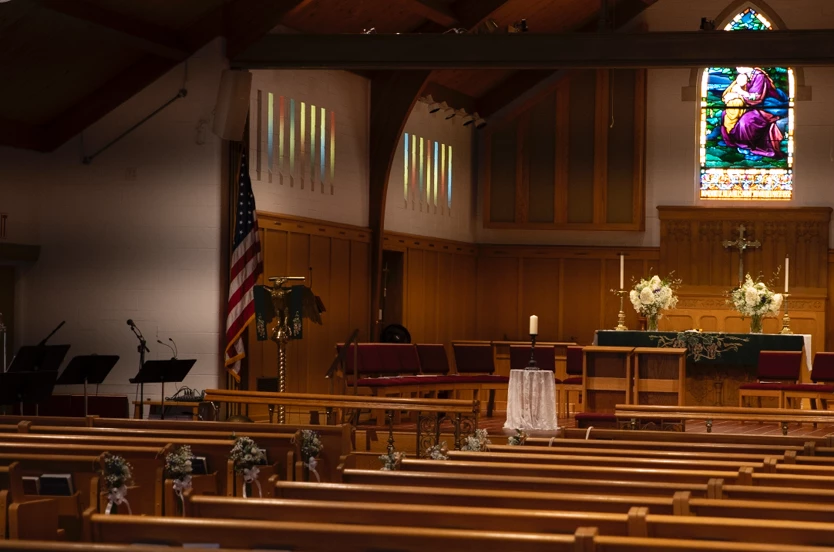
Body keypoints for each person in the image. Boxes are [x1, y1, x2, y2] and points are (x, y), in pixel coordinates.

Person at [720, 67, 785, 158]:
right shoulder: (743, 76)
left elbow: (757, 97)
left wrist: (740, 94)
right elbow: (733, 89)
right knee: (725, 114)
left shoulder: (759, 76)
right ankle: (736, 142)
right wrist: (732, 95)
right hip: (749, 106)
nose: (738, 67)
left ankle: (748, 146)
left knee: (745, 122)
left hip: (764, 107)